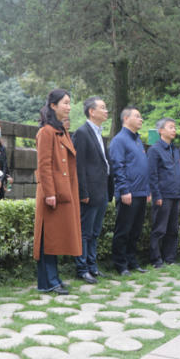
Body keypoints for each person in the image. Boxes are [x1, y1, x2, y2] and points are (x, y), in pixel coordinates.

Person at [34, 89, 80, 295]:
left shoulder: (60, 130)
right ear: (53, 106)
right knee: (48, 237)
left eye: (69, 103)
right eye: (65, 103)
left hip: (63, 192)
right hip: (52, 194)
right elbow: (44, 165)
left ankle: (54, 279)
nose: (69, 107)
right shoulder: (46, 131)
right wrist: (49, 193)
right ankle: (48, 282)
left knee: (56, 237)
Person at [72, 98, 111, 283]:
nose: (106, 111)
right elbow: (78, 166)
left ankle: (92, 267)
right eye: (103, 107)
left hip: (102, 190)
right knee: (84, 232)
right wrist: (83, 192)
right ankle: (82, 269)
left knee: (95, 232)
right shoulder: (82, 133)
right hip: (90, 192)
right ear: (91, 112)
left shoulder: (99, 133)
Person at [109, 106, 150, 276]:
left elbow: (142, 167)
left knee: (135, 230)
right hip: (128, 193)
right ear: (126, 118)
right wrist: (124, 190)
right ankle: (121, 265)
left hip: (141, 192)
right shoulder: (119, 140)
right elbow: (117, 167)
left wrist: (147, 190)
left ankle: (132, 261)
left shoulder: (137, 139)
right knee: (123, 230)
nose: (141, 119)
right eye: (137, 116)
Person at [146, 118, 180, 268]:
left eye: (175, 127)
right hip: (163, 196)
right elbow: (152, 174)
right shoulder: (154, 150)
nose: (174, 130)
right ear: (161, 131)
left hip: (175, 195)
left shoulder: (175, 150)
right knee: (159, 229)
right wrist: (156, 195)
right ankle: (156, 260)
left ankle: (170, 259)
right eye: (170, 127)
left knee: (173, 229)